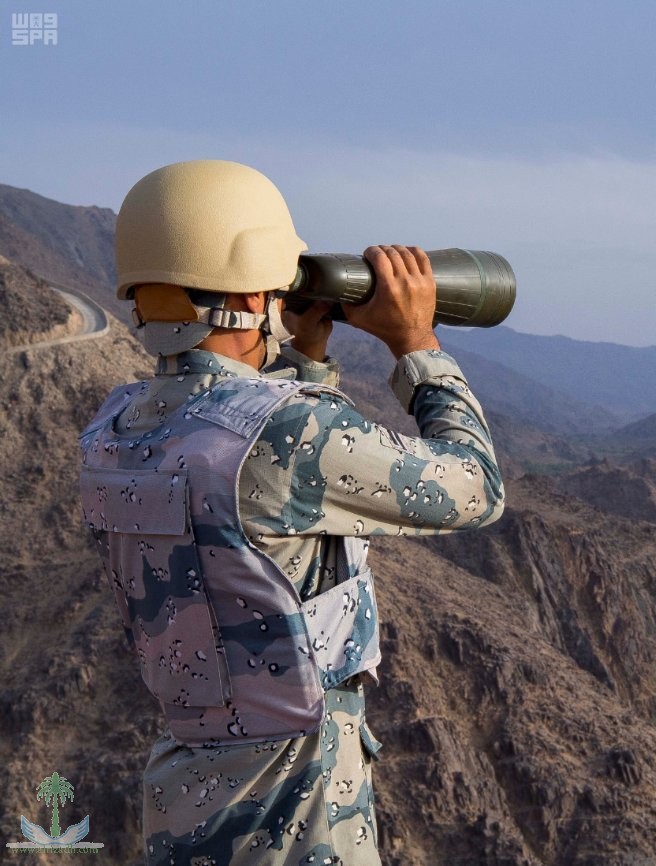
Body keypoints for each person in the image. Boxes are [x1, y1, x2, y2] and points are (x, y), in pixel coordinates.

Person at [78, 159, 505, 864]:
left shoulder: (116, 431)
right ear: (253, 291)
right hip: (298, 809)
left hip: (188, 793)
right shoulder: (289, 433)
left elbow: (245, 475)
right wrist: (417, 344)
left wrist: (304, 358)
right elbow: (476, 486)